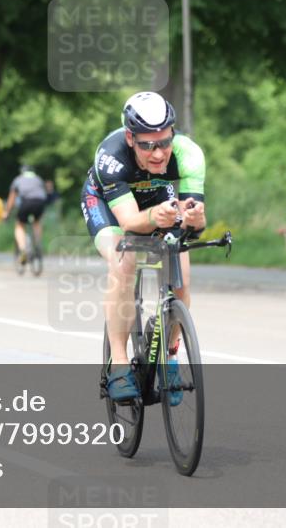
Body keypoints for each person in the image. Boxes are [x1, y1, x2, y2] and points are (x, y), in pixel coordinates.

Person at [80, 92, 206, 401]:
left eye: (164, 142)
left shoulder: (189, 155)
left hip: (156, 198)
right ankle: (119, 365)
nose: (159, 154)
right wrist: (154, 217)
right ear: (130, 138)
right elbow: (130, 223)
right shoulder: (111, 156)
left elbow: (194, 223)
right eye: (148, 145)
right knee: (124, 261)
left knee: (183, 278)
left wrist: (195, 219)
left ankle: (171, 355)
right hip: (109, 205)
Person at [2, 165, 47, 264]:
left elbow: (12, 198)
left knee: (19, 225)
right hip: (40, 202)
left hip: (26, 202)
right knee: (37, 222)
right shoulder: (38, 179)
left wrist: (6, 212)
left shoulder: (18, 179)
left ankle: (23, 250)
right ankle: (37, 244)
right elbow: (44, 193)